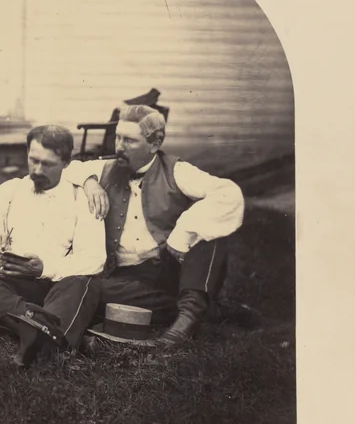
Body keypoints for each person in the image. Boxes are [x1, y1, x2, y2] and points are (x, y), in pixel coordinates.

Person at [64, 102, 245, 348]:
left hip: (172, 266)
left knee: (210, 235)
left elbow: (227, 193)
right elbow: (67, 169)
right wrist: (89, 182)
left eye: (129, 141)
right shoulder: (104, 169)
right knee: (92, 290)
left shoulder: (177, 171)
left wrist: (182, 234)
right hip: (128, 278)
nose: (119, 147)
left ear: (154, 144)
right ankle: (192, 307)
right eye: (118, 138)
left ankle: (182, 327)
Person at [0, 125, 106, 367]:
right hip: (15, 283)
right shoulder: (9, 191)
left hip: (58, 284)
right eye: (33, 160)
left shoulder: (82, 198)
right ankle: (52, 337)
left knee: (83, 284)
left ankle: (33, 334)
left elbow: (94, 259)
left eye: (48, 164)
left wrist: (43, 269)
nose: (38, 170)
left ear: (66, 163)